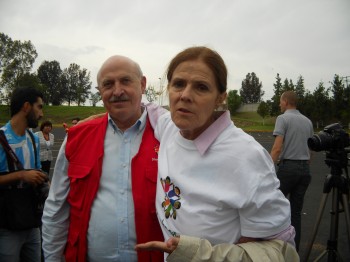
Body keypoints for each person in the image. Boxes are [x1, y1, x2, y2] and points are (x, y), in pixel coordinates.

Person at [135, 46, 298, 261]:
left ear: (220, 98)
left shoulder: (246, 157)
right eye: (178, 84)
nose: (185, 95)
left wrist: (196, 253)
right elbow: (146, 108)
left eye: (201, 87)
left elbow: (276, 250)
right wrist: (97, 120)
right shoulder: (169, 127)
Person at [42, 55, 164, 261]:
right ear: (100, 92)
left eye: (125, 81)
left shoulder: (169, 138)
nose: (117, 91)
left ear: (142, 84)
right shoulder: (76, 138)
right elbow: (56, 208)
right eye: (108, 84)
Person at [0, 86, 47, 262]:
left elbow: (37, 169)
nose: (41, 114)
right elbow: (25, 174)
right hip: (7, 224)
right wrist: (21, 175)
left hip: (32, 221)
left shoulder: (33, 138)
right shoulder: (2, 138)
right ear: (26, 107)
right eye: (39, 107)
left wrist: (43, 181)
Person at [270, 90, 314, 251]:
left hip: (288, 169)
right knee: (296, 213)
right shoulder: (308, 121)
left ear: (286, 102)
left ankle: (274, 249)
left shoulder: (283, 119)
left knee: (273, 207)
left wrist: (268, 168)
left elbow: (276, 148)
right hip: (305, 170)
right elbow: (311, 151)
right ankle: (294, 251)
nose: (279, 104)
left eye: (280, 101)